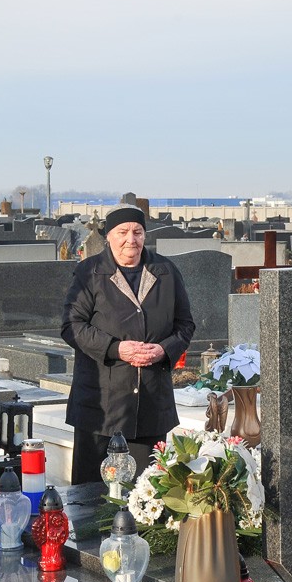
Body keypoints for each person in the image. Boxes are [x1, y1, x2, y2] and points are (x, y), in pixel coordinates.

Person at [61, 204, 195, 484]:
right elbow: (71, 326)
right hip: (100, 408)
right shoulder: (90, 272)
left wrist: (164, 350)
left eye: (137, 232)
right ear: (108, 236)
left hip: (150, 405)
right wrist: (115, 348)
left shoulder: (166, 272)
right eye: (122, 232)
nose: (130, 240)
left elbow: (185, 325)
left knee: (145, 496)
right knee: (93, 498)